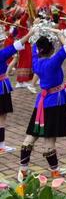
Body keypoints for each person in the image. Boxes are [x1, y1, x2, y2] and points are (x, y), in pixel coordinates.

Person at [20, 21, 66, 179]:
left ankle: (23, 168)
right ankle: (54, 171)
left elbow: (35, 48)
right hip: (53, 102)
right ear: (50, 49)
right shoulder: (53, 61)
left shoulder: (36, 61)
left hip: (40, 102)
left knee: (32, 135)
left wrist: (35, 29)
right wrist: (58, 33)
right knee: (49, 139)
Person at [0, 26, 33, 154]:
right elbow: (18, 44)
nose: (3, 42)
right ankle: (1, 145)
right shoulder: (2, 53)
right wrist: (30, 33)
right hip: (1, 88)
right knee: (2, 117)